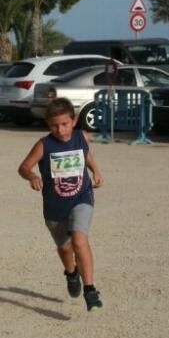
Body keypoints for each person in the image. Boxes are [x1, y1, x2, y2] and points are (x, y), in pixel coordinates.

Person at [17, 97, 105, 311]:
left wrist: (96, 170)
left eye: (64, 124)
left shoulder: (82, 136)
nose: (60, 130)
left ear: (73, 121)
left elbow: (87, 154)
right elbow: (23, 167)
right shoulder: (44, 145)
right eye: (55, 125)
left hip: (81, 197)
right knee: (65, 249)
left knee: (79, 240)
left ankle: (90, 289)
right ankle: (71, 273)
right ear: (49, 125)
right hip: (55, 205)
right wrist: (32, 176)